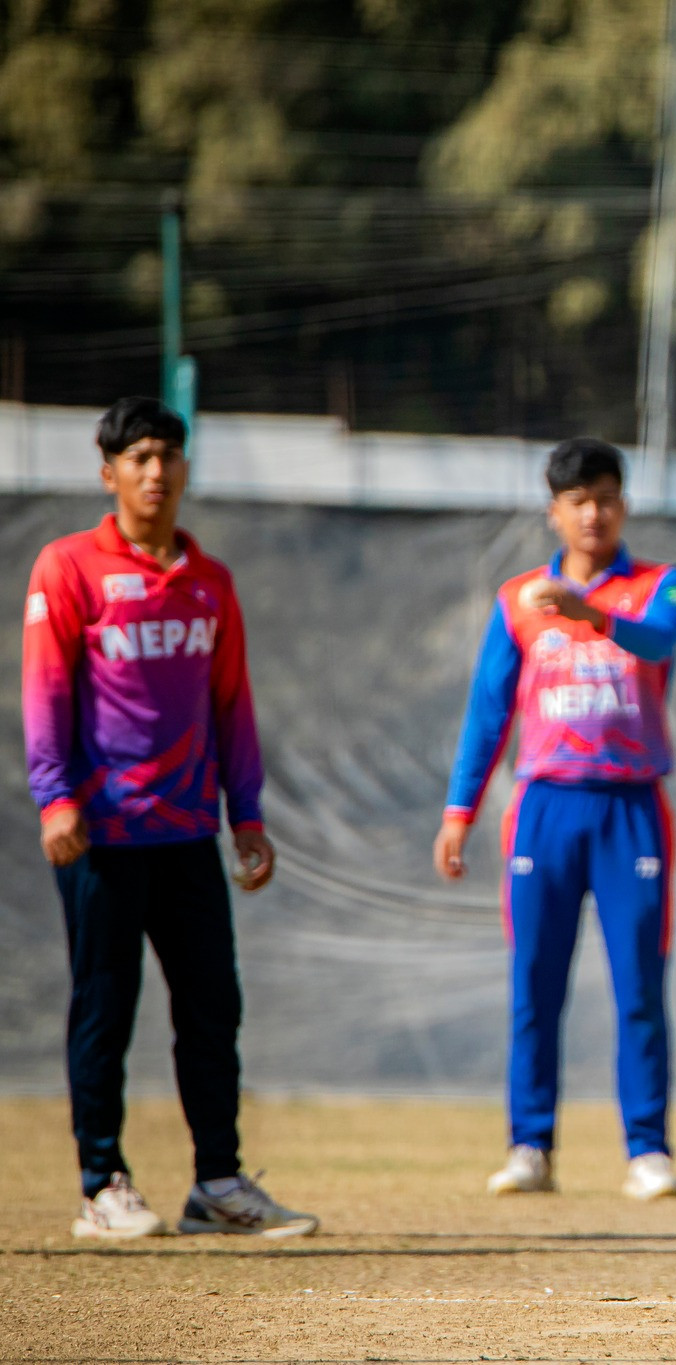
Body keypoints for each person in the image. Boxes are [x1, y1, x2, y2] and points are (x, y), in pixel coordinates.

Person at [23, 396, 317, 1239]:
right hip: (101, 836)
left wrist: (247, 815)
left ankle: (218, 1182)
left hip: (189, 832)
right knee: (105, 1008)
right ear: (108, 469)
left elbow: (232, 705)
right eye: (139, 456)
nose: (156, 472)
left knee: (212, 1008)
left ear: (185, 468)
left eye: (168, 455)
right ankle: (100, 1183)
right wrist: (56, 798)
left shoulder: (208, 581)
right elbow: (45, 692)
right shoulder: (68, 567)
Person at [433, 438, 676, 1201]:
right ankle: (530, 1145)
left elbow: (663, 637)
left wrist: (594, 615)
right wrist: (459, 811)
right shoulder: (518, 599)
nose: (594, 512)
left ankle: (647, 1148)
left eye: (607, 497)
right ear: (554, 510)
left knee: (640, 983)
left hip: (631, 807)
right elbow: (489, 711)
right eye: (579, 500)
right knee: (535, 981)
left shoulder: (659, 585)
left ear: (624, 504)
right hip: (544, 807)